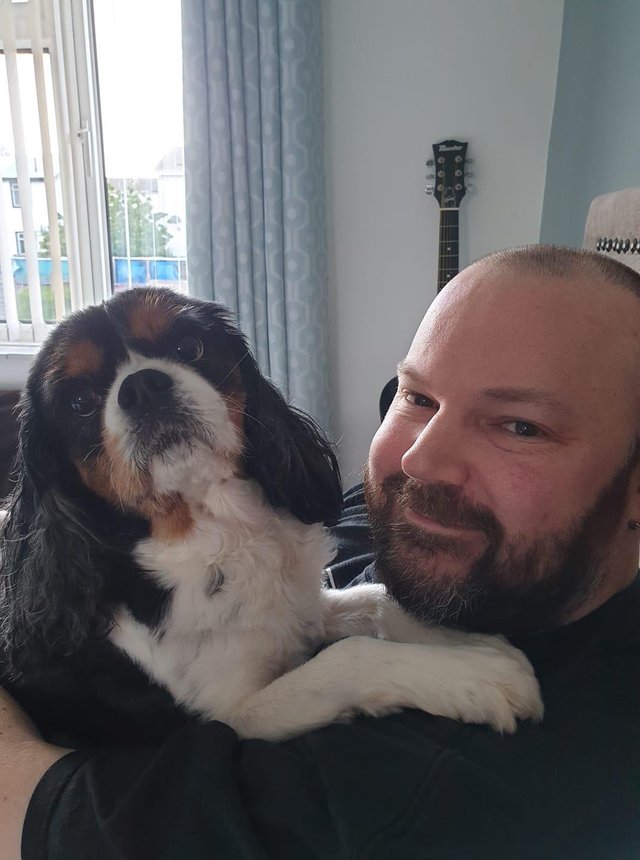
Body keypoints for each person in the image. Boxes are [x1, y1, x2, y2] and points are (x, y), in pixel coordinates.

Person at [2, 244, 640, 860]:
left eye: (521, 426)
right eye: (416, 397)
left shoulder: (420, 798)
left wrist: (360, 666)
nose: (421, 461)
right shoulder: (408, 527)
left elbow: (34, 815)